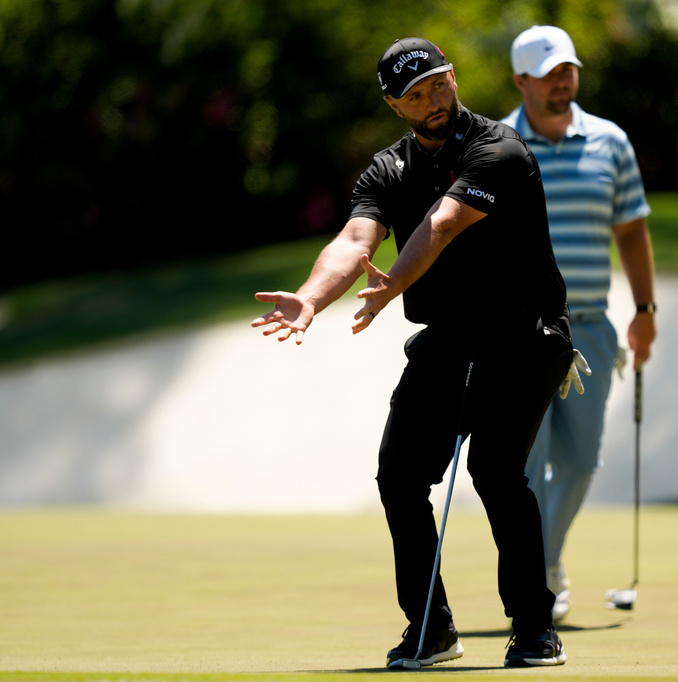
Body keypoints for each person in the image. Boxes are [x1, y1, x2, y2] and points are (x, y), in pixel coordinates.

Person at [251, 38, 582, 669]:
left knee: (494, 470)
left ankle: (535, 629)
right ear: (393, 105)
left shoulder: (499, 149)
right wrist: (312, 299)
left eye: (438, 84)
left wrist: (391, 286)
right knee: (400, 477)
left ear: (453, 78)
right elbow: (355, 238)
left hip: (525, 334)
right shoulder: (388, 169)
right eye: (415, 94)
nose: (432, 100)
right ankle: (431, 629)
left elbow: (443, 222)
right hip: (449, 339)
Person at [501, 25, 657, 621]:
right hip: (517, 332)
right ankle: (539, 579)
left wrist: (644, 311)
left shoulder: (610, 143)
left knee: (580, 459)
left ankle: (545, 559)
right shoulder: (496, 146)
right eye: (549, 72)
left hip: (591, 326)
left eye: (568, 69)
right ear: (521, 81)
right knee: (526, 462)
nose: (563, 80)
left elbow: (632, 232)